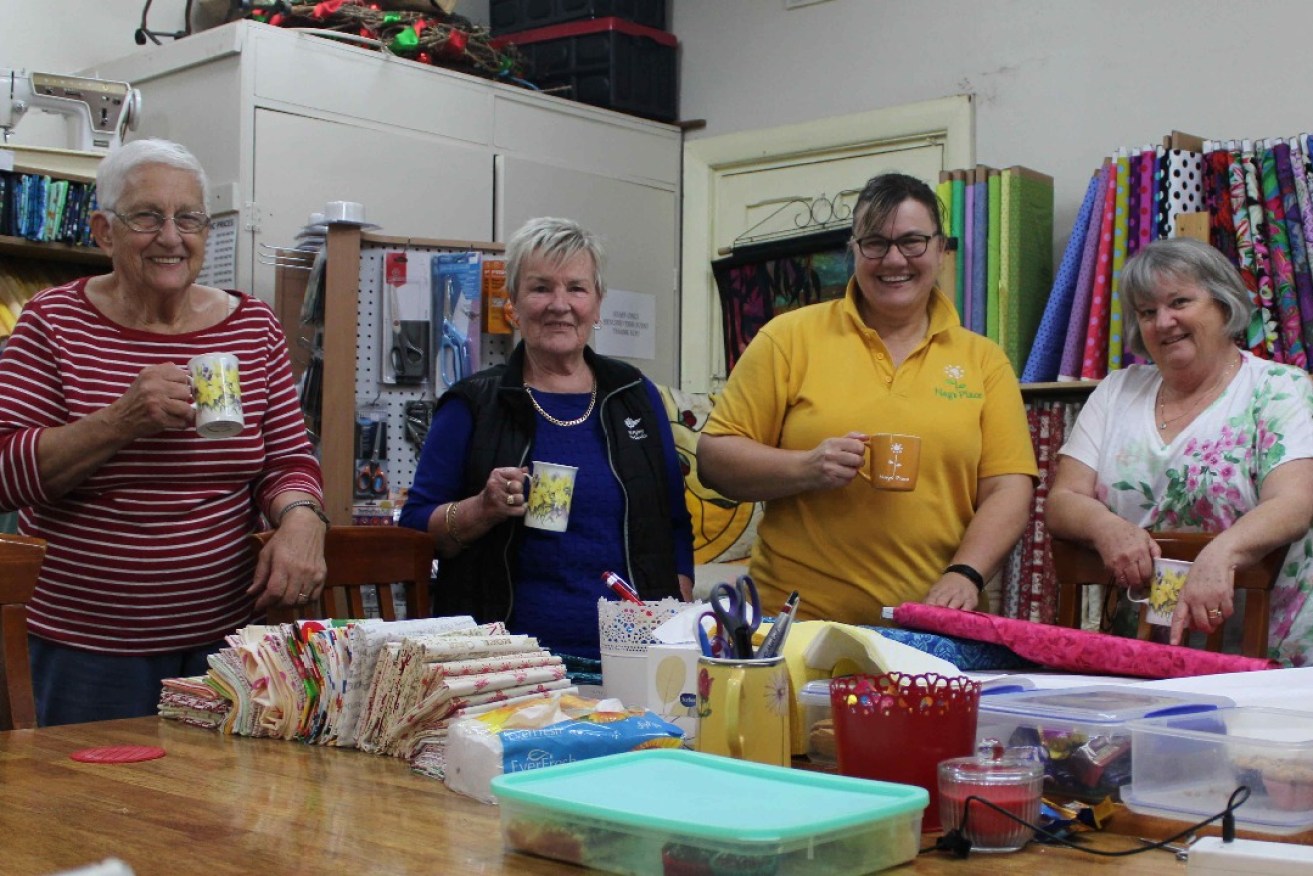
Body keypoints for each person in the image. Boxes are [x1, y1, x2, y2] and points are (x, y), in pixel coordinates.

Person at [0, 138, 327, 725]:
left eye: (190, 218)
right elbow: (3, 473)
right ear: (104, 231)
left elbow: (288, 460)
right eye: (148, 217)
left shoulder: (252, 325)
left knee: (219, 811)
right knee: (92, 807)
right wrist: (120, 420)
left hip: (228, 642)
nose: (172, 237)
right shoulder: (50, 322)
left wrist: (303, 518)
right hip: (85, 647)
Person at [697, 172, 1037, 625]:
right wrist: (807, 467)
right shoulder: (788, 338)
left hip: (932, 631)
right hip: (795, 627)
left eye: (913, 241)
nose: (894, 259)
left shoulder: (984, 361)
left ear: (940, 249)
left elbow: (1009, 488)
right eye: (875, 242)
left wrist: (965, 575)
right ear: (854, 250)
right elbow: (715, 458)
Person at [401, 217, 693, 661]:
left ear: (598, 304)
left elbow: (673, 520)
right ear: (513, 304)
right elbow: (416, 529)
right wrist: (484, 508)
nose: (560, 304)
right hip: (510, 662)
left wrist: (677, 606)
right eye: (540, 288)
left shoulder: (633, 394)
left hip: (633, 658)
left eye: (576, 288)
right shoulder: (473, 404)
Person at [1046, 237, 1313, 664]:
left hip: (1268, 653)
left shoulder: (1279, 389)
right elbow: (1062, 501)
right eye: (1147, 312)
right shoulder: (1117, 391)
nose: (1163, 322)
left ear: (1223, 304)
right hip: (1145, 653)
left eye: (1179, 302)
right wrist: (1107, 527)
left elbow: (1294, 503)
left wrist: (1221, 553)